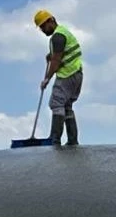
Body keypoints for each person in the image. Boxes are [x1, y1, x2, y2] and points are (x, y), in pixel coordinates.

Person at [34, 9, 83, 147]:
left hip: (67, 74)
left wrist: (47, 79)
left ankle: (54, 140)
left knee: (56, 103)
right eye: (41, 28)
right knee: (67, 106)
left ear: (52, 20)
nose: (43, 29)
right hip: (77, 74)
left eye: (44, 25)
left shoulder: (58, 37)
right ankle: (73, 141)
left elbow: (56, 61)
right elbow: (60, 53)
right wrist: (52, 55)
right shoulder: (63, 32)